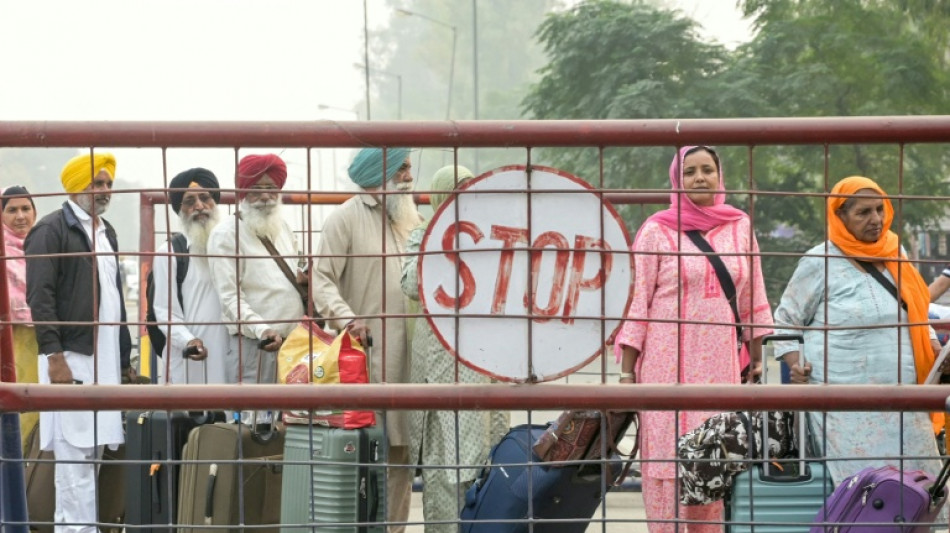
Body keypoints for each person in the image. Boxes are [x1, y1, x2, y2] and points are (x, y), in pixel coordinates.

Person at [613, 146, 774, 532]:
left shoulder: (740, 226)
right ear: (676, 180)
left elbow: (754, 300)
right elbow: (637, 303)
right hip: (665, 366)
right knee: (665, 470)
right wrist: (626, 376)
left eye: (707, 170)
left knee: (709, 469)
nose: (699, 177)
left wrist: (756, 363)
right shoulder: (656, 229)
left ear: (720, 177)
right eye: (690, 172)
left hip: (719, 369)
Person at [773, 176, 944, 486]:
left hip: (907, 405)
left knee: (920, 496)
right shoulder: (819, 261)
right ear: (840, 216)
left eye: (880, 209)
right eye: (863, 212)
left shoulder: (896, 254)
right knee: (866, 499)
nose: (876, 219)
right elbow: (785, 322)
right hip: (848, 411)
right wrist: (796, 363)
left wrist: (935, 350)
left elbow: (916, 313)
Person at [312, 147, 422, 533]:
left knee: (401, 455)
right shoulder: (344, 218)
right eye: (403, 168)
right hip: (366, 355)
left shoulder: (410, 218)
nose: (410, 177)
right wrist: (348, 319)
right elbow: (321, 280)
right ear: (382, 172)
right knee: (363, 452)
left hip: (410, 358)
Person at [25, 153, 133, 533]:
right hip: (70, 359)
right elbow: (40, 297)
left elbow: (114, 298)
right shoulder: (50, 231)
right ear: (75, 187)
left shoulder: (107, 231)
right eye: (95, 183)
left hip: (103, 365)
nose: (103, 190)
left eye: (107, 184)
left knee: (95, 455)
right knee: (74, 460)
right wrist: (54, 357)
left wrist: (124, 356)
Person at [399, 165, 508, 533]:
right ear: (443, 195)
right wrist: (449, 245)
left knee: (487, 463)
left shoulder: (494, 236)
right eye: (459, 190)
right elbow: (410, 283)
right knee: (446, 467)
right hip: (442, 367)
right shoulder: (423, 236)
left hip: (485, 366)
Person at [207, 154, 305, 385]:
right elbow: (229, 297)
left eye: (271, 188)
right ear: (243, 192)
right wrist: (262, 330)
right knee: (257, 417)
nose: (265, 196)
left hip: (295, 345)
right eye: (256, 188)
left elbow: (296, 268)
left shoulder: (283, 228)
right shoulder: (226, 235)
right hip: (256, 346)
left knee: (293, 417)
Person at [152, 168, 229, 384]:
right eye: (189, 201)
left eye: (205, 198)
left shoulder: (230, 247)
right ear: (180, 209)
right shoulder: (169, 252)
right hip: (189, 360)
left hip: (231, 359)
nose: (199, 206)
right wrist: (189, 341)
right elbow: (165, 312)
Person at [2, 185, 39, 450]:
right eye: (12, 209)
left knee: (36, 409)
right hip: (6, 345)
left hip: (40, 346)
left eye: (26, 208)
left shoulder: (45, 246)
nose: (20, 216)